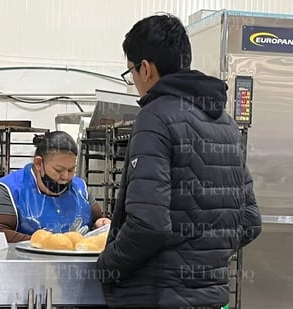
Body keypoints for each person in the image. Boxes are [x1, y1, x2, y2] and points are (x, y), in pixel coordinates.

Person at [96, 13, 262, 309]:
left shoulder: (155, 117)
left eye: (131, 73)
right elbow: (249, 221)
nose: (134, 82)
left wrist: (108, 266)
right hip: (211, 298)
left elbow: (149, 224)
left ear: (145, 68)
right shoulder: (225, 122)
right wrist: (203, 261)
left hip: (158, 296)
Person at [0, 131, 111, 242]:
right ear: (38, 163)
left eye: (71, 170)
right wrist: (44, 244)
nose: (66, 177)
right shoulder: (8, 190)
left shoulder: (80, 188)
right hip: (25, 267)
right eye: (59, 170)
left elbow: (97, 219)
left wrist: (101, 223)